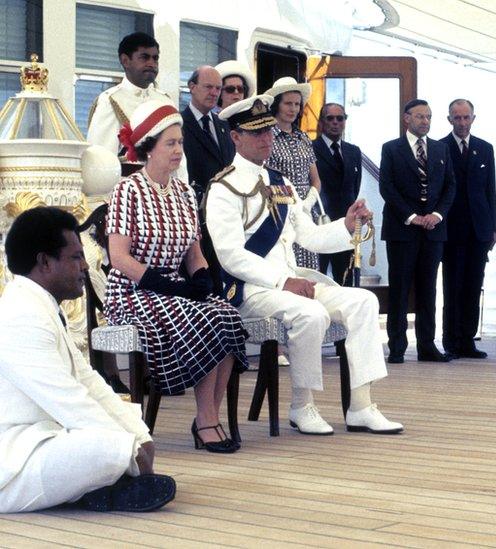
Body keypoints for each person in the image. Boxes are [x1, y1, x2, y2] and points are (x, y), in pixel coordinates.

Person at [206, 95, 402, 435]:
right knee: (311, 313)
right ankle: (302, 405)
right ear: (235, 137)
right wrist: (283, 281)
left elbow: (310, 236)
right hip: (250, 291)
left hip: (292, 284)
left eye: (268, 130)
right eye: (256, 133)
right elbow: (230, 255)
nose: (267, 138)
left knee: (364, 301)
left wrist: (348, 225)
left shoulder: (281, 183)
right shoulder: (223, 188)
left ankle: (361, 405)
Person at [0, 207, 176, 513]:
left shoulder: (41, 306)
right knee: (105, 450)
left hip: (43, 438)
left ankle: (103, 488)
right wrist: (129, 451)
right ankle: (105, 488)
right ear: (44, 262)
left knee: (127, 430)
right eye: (76, 257)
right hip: (13, 461)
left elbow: (89, 382)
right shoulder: (21, 315)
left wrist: (140, 437)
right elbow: (69, 401)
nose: (85, 267)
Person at [106, 100, 248, 453]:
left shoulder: (184, 193)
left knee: (226, 315)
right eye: (170, 143)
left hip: (176, 288)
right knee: (203, 320)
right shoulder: (128, 190)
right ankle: (206, 423)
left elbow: (194, 252)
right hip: (133, 291)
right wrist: (163, 284)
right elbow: (118, 257)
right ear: (148, 148)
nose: (178, 150)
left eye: (180, 142)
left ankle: (208, 417)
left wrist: (202, 279)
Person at [379, 99, 456, 364]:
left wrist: (436, 215)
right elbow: (387, 188)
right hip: (402, 230)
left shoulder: (441, 149)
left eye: (429, 117)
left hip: (434, 230)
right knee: (399, 289)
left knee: (428, 289)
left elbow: (450, 187)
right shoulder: (391, 149)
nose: (425, 121)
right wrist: (412, 217)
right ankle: (397, 346)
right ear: (407, 119)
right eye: (420, 116)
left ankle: (427, 346)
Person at [439, 99, 496, 359]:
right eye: (457, 118)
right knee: (453, 286)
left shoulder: (485, 148)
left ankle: (468, 340)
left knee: (474, 285)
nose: (462, 123)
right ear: (449, 119)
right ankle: (451, 340)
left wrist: (493, 227)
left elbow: (490, 190)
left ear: (474, 118)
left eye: (466, 118)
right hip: (450, 228)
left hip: (478, 229)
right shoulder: (440, 147)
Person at [266, 77, 322, 271]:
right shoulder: (267, 136)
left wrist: (309, 201)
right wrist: (294, 206)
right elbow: (266, 180)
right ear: (277, 105)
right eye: (288, 103)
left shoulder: (303, 137)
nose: (293, 109)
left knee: (309, 272)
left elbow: (315, 179)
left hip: (307, 215)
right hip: (281, 215)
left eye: (297, 104)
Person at [87, 32, 171, 157]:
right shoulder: (111, 100)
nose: (152, 64)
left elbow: (178, 158)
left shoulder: (165, 101)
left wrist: (182, 177)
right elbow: (101, 158)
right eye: (144, 57)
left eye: (155, 58)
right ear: (125, 61)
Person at [313, 103, 362, 284]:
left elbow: (354, 188)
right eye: (330, 118)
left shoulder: (353, 151)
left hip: (345, 226)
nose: (335, 122)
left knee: (346, 280)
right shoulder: (310, 148)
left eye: (340, 118)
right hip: (320, 225)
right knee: (317, 279)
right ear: (321, 122)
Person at [181, 66, 236, 202]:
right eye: (208, 87)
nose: (214, 93)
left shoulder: (224, 123)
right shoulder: (179, 125)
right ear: (192, 87)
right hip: (196, 206)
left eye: (218, 88)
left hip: (228, 204)